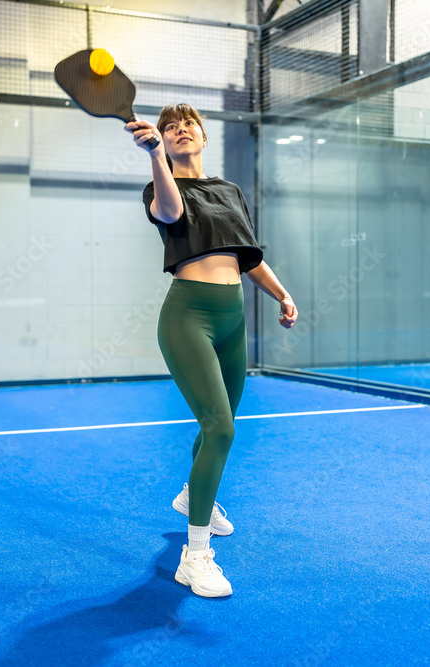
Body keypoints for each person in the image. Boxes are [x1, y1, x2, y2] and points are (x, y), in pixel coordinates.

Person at [125, 104, 298, 598]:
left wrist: (283, 295)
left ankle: (191, 495)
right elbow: (172, 212)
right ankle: (194, 556)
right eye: (169, 128)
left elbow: (248, 256)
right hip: (188, 316)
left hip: (232, 319)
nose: (180, 130)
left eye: (187, 126)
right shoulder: (160, 187)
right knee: (220, 428)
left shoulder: (229, 191)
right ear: (163, 141)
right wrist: (156, 156)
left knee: (218, 426)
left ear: (203, 138)